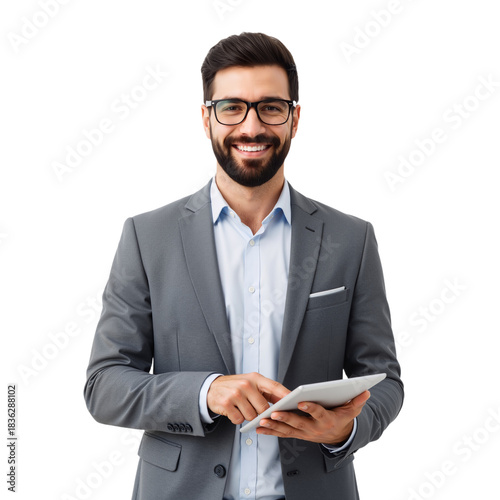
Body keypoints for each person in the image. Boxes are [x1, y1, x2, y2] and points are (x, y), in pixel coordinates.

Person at [84, 32, 403, 500]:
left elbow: (385, 379)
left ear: (294, 119)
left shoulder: (350, 239)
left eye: (270, 107)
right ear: (206, 118)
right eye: (231, 107)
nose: (250, 127)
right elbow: (105, 385)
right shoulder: (147, 237)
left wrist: (342, 431)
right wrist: (206, 393)